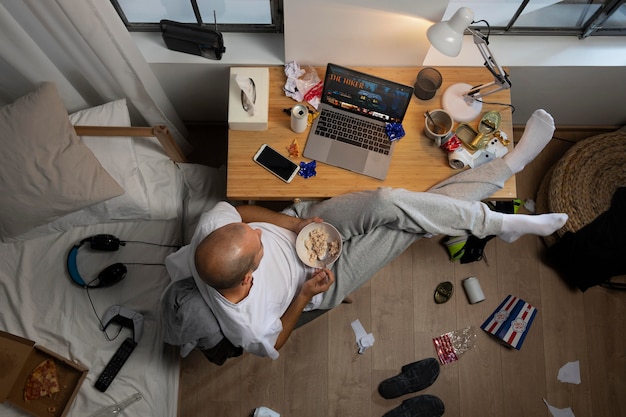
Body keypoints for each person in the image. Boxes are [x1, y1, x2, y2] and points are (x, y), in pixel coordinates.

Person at [166, 109, 568, 360]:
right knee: (408, 224)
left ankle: (498, 219)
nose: (256, 231)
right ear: (248, 278)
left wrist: (291, 223)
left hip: (308, 223)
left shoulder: (211, 230)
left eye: (252, 232)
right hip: (323, 281)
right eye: (257, 244)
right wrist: (306, 294)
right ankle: (508, 173)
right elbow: (275, 343)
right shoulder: (247, 325)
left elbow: (238, 211)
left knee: (387, 200)